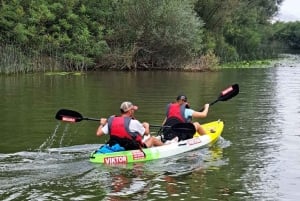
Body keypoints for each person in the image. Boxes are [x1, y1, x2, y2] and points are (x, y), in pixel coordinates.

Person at [96, 101, 164, 150]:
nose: (134, 111)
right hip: (132, 148)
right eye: (133, 110)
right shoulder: (134, 122)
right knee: (153, 139)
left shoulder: (112, 121)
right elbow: (146, 133)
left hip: (116, 146)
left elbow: (98, 133)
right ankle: (166, 147)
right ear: (130, 111)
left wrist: (102, 124)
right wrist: (146, 126)